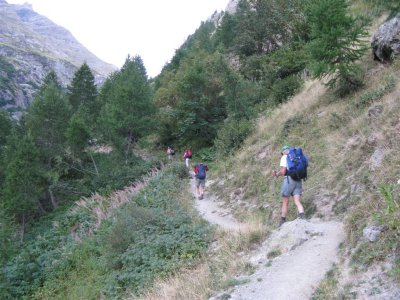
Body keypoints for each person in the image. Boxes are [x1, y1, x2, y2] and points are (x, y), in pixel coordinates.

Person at [273, 145, 305, 226]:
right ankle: (302, 216)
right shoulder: (296, 157)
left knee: (285, 201)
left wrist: (277, 174)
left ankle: (282, 221)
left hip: (289, 180)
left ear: (283, 151)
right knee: (297, 201)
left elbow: (283, 171)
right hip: (298, 179)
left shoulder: (284, 157)